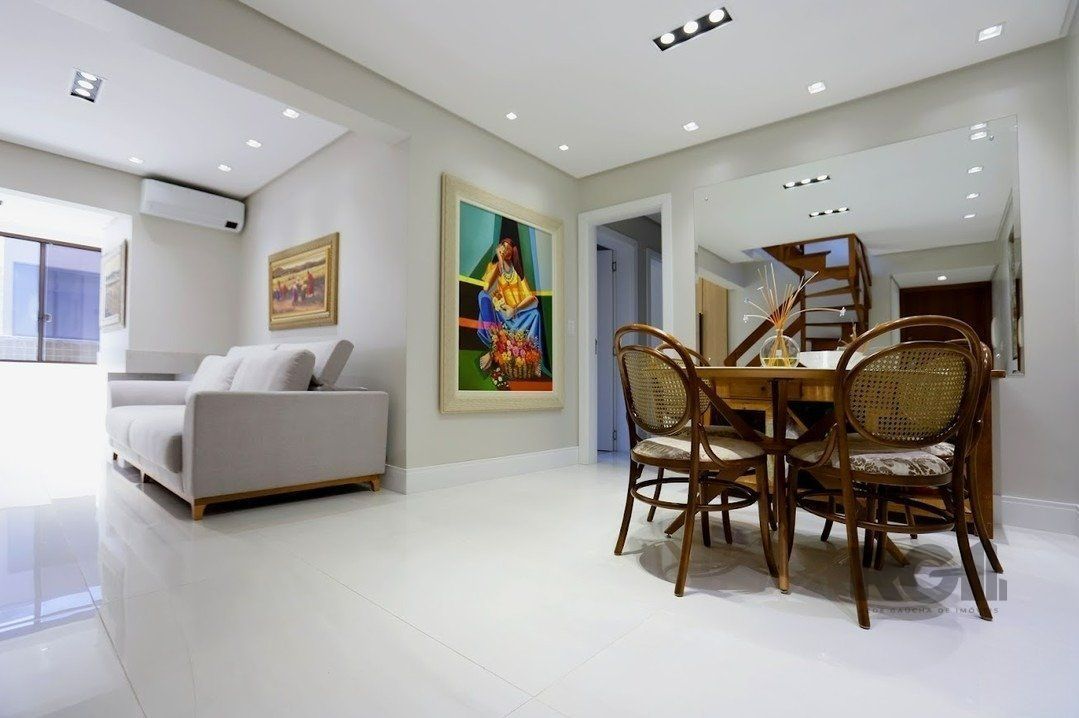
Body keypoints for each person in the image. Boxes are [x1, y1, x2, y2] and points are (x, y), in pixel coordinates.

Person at [476, 237, 545, 374]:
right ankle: (495, 347)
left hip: (515, 315)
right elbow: (486, 288)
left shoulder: (517, 273)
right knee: (482, 296)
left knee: (535, 314)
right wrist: (500, 261)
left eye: (508, 248)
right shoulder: (494, 267)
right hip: (499, 316)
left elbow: (532, 298)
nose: (504, 249)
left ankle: (534, 358)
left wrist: (515, 309)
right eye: (503, 245)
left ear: (513, 253)